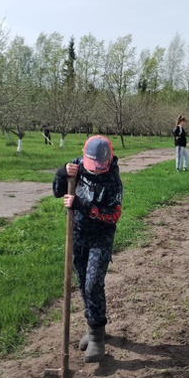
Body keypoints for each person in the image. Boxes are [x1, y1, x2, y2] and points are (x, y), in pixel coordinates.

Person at [53, 135, 123, 363]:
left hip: (100, 238)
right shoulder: (77, 167)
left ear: (108, 160)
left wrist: (81, 204)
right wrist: (61, 173)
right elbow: (57, 191)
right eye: (92, 166)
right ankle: (93, 327)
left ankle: (97, 337)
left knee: (93, 283)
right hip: (77, 234)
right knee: (83, 283)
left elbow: (113, 216)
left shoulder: (113, 180)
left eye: (100, 166)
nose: (96, 171)